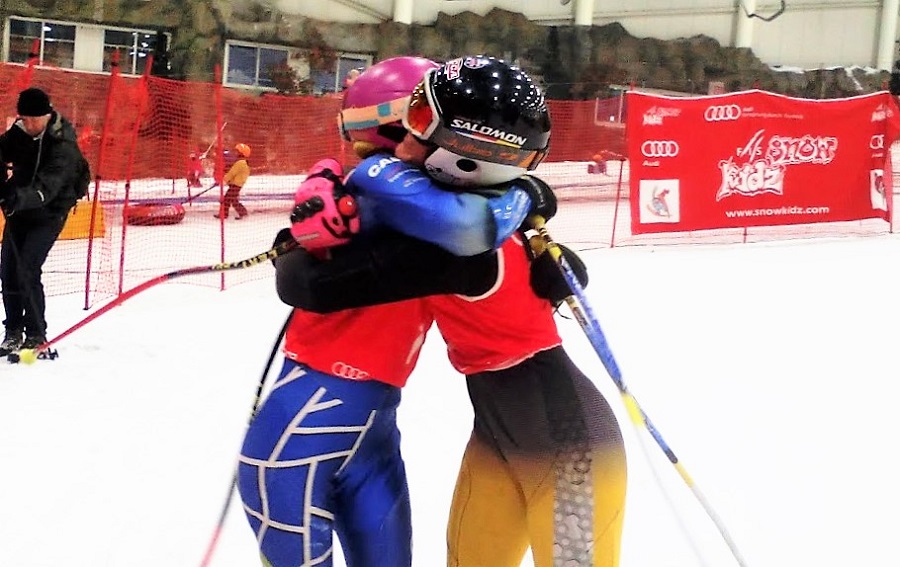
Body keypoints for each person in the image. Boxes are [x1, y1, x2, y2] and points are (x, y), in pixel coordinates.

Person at [278, 56, 627, 567]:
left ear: (467, 154)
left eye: (417, 127)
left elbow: (315, 285)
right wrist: (320, 192)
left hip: (576, 452)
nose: (399, 142)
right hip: (496, 435)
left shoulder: (457, 243)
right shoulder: (463, 211)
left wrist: (310, 228)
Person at [236, 56, 545, 567]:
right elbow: (311, 270)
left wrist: (531, 193)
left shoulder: (430, 200)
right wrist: (307, 216)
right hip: (311, 411)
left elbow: (480, 215)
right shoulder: (389, 193)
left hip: (371, 421)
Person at [0, 87, 88, 356]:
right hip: (20, 209)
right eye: (23, 118)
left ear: (46, 115)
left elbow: (48, 186)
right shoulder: (22, 132)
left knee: (27, 267)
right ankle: (13, 330)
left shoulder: (62, 145)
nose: (27, 124)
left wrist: (18, 197)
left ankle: (36, 332)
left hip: (49, 211)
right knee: (8, 270)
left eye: (32, 119)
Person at [214, 142, 251, 219]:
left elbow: (231, 173)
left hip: (235, 185)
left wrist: (223, 181)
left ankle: (225, 214)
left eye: (238, 151)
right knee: (232, 200)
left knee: (227, 200)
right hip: (237, 185)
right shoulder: (244, 162)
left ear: (242, 153)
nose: (236, 153)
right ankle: (242, 213)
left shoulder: (240, 163)